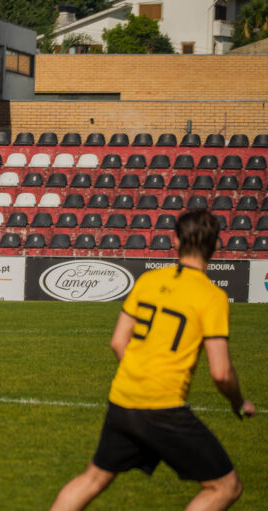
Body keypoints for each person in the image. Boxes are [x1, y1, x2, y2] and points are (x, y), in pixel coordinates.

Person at [50, 209, 255, 511]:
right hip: (164, 407)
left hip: (122, 399)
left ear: (176, 241)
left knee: (93, 479)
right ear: (216, 245)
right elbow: (221, 373)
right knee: (226, 487)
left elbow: (118, 341)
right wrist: (239, 402)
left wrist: (138, 375)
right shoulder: (212, 297)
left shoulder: (148, 280)